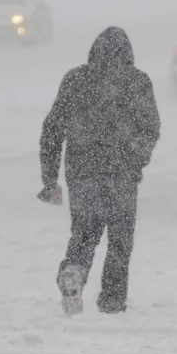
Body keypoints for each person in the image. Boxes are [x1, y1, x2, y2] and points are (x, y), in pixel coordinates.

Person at [39, 27, 161, 316]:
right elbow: (150, 128)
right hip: (121, 172)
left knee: (84, 233)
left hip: (82, 171)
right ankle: (112, 301)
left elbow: (52, 129)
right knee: (120, 240)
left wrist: (50, 178)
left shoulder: (75, 80)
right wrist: (134, 158)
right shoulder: (137, 81)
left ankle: (74, 271)